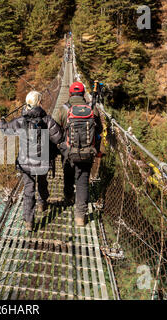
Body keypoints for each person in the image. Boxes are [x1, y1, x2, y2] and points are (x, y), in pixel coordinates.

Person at [0, 91, 63, 232]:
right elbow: (58, 138)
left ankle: (29, 221)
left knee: (28, 190)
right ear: (39, 103)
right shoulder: (47, 120)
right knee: (43, 182)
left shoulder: (20, 121)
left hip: (25, 163)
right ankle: (42, 203)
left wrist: (2, 122)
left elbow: (6, 130)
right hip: (43, 161)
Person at [52, 81, 102, 226]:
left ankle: (68, 197)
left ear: (70, 94)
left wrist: (60, 144)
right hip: (87, 152)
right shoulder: (92, 108)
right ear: (83, 93)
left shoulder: (64, 108)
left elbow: (56, 128)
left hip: (69, 151)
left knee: (68, 172)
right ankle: (80, 217)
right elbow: (98, 131)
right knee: (82, 181)